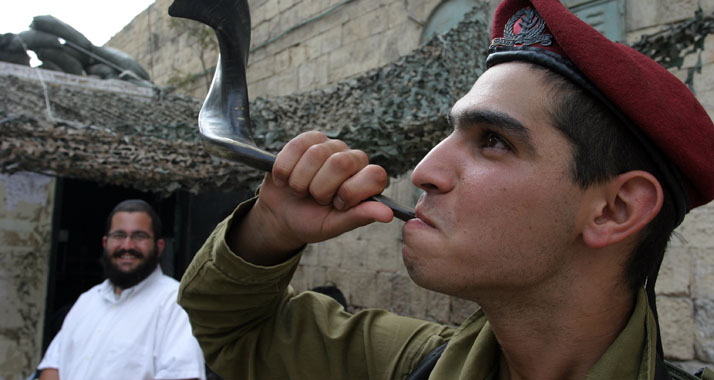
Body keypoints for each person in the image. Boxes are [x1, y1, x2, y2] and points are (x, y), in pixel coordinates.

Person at [177, 0, 714, 379]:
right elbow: (233, 333)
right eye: (451, 132)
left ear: (614, 210)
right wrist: (268, 230)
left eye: (495, 142)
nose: (426, 170)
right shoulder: (406, 364)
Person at [37, 199, 206, 380]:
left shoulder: (175, 303)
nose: (127, 246)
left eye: (139, 236)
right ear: (105, 243)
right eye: (119, 235)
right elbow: (52, 367)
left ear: (159, 247)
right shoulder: (87, 301)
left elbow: (182, 375)